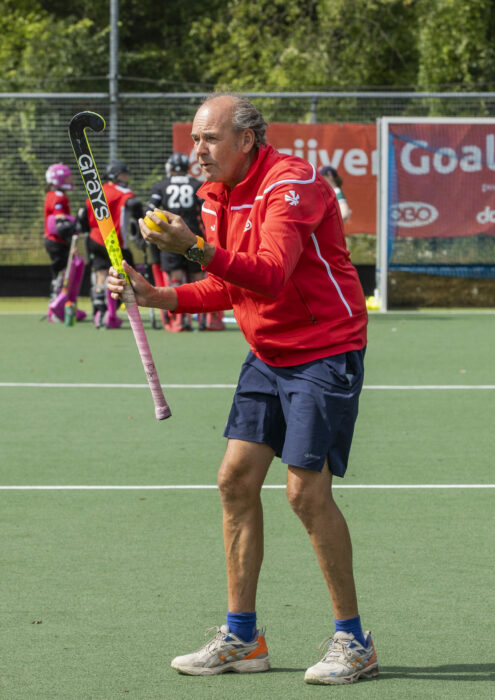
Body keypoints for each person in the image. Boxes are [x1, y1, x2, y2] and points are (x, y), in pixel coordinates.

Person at [108, 94, 377, 686]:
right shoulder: (216, 196)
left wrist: (193, 250)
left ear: (247, 140)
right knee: (235, 480)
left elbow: (272, 272)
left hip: (324, 351)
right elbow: (232, 287)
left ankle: (354, 641)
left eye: (208, 140)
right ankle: (242, 636)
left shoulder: (292, 184)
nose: (197, 153)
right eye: (195, 141)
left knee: (305, 495)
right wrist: (159, 294)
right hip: (268, 352)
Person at [148, 152, 223, 331]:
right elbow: (208, 207)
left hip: (170, 236)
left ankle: (179, 320)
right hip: (193, 236)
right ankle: (207, 321)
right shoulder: (196, 184)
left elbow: (150, 209)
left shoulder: (161, 186)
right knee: (199, 277)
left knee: (175, 278)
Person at [80, 161, 143, 328]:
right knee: (123, 275)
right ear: (116, 175)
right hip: (114, 242)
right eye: (124, 174)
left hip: (94, 239)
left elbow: (83, 215)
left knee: (101, 274)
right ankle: (112, 313)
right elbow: (134, 205)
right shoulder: (123, 192)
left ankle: (99, 312)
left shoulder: (96, 191)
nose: (126, 177)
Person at [43, 163, 76, 313]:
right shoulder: (58, 196)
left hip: (52, 240)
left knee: (59, 272)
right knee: (61, 273)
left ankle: (55, 302)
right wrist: (72, 240)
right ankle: (56, 304)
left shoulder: (51, 194)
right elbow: (60, 223)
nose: (71, 180)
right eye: (68, 177)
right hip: (57, 241)